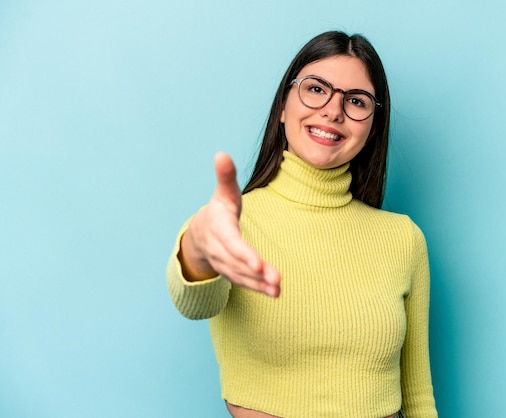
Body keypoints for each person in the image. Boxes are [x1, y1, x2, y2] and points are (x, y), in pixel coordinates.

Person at [166, 31, 438, 418]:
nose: (333, 111)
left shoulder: (403, 238)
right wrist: (198, 247)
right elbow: (194, 302)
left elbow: (417, 397)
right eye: (315, 90)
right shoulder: (230, 223)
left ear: (373, 128)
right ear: (282, 106)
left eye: (356, 101)